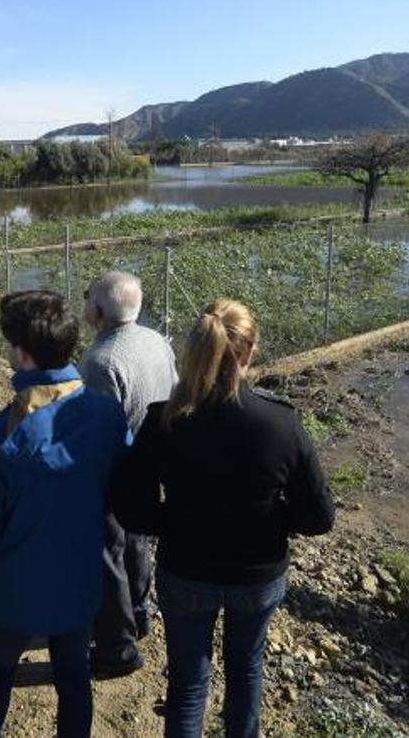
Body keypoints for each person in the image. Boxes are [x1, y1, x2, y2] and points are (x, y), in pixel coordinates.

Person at [112, 298, 335, 738]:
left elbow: (129, 506)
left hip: (185, 570)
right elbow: (319, 516)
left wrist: (169, 521)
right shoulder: (280, 423)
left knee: (189, 681)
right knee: (247, 668)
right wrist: (277, 520)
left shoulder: (165, 420)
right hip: (257, 575)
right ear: (249, 350)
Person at [0, 291, 132, 738]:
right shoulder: (107, 415)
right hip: (80, 584)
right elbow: (120, 489)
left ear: (21, 356)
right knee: (73, 676)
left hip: (11, 592)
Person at [80, 271, 177, 679]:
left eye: (87, 298)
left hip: (117, 469)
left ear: (98, 311)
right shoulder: (156, 340)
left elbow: (100, 432)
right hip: (151, 463)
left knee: (108, 553)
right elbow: (174, 390)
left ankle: (118, 647)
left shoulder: (101, 361)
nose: (84, 303)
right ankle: (140, 609)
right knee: (137, 542)